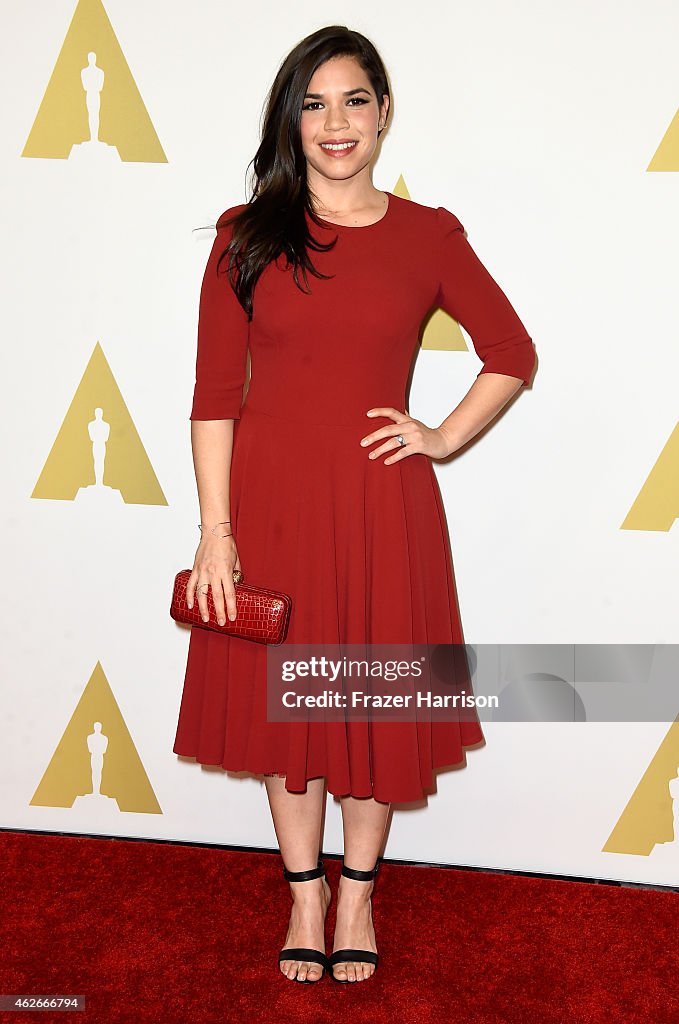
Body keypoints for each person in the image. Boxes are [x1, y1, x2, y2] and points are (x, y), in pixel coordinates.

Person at [173, 24, 536, 985]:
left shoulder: (428, 235)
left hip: (383, 511)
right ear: (291, 118)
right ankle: (302, 893)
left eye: (354, 101)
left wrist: (442, 435)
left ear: (382, 113)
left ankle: (359, 894)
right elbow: (215, 396)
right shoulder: (244, 236)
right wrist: (216, 534)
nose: (336, 122)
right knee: (288, 719)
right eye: (314, 102)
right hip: (272, 508)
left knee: (369, 707)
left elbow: (511, 352)